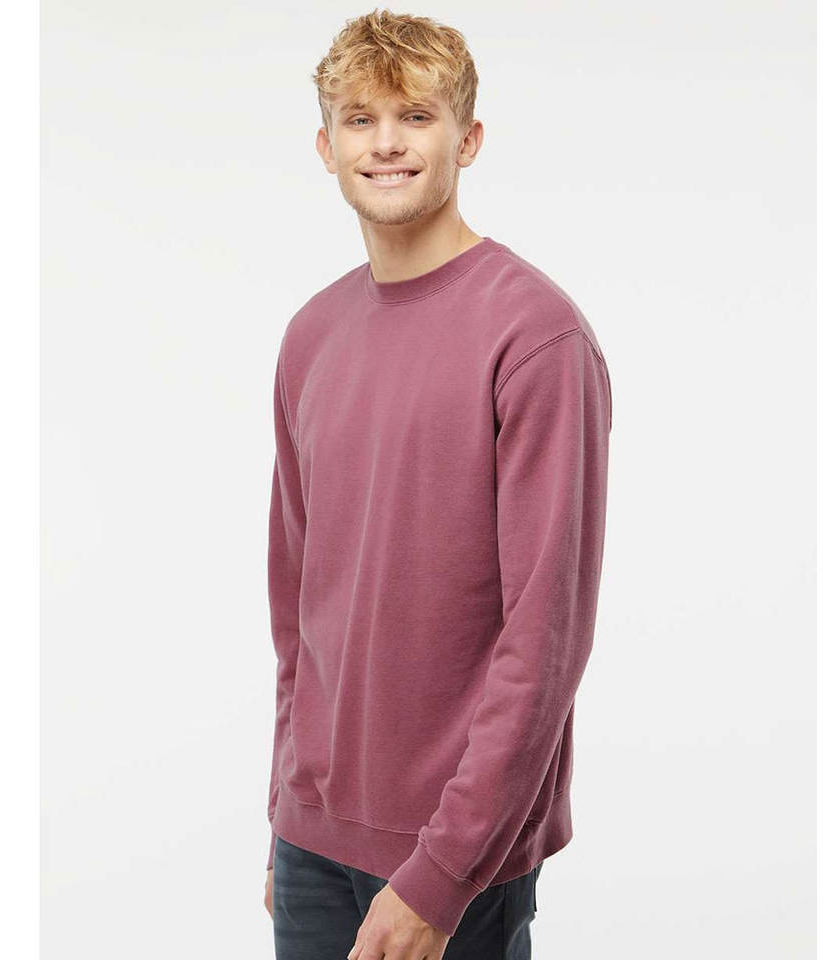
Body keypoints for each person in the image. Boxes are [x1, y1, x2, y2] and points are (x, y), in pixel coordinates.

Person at [262, 9, 612, 959]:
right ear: (327, 147)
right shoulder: (310, 336)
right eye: (360, 119)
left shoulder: (536, 336)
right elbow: (297, 607)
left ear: (469, 138)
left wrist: (443, 870)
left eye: (416, 116)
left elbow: (544, 637)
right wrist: (285, 810)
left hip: (453, 855)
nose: (386, 143)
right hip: (310, 839)